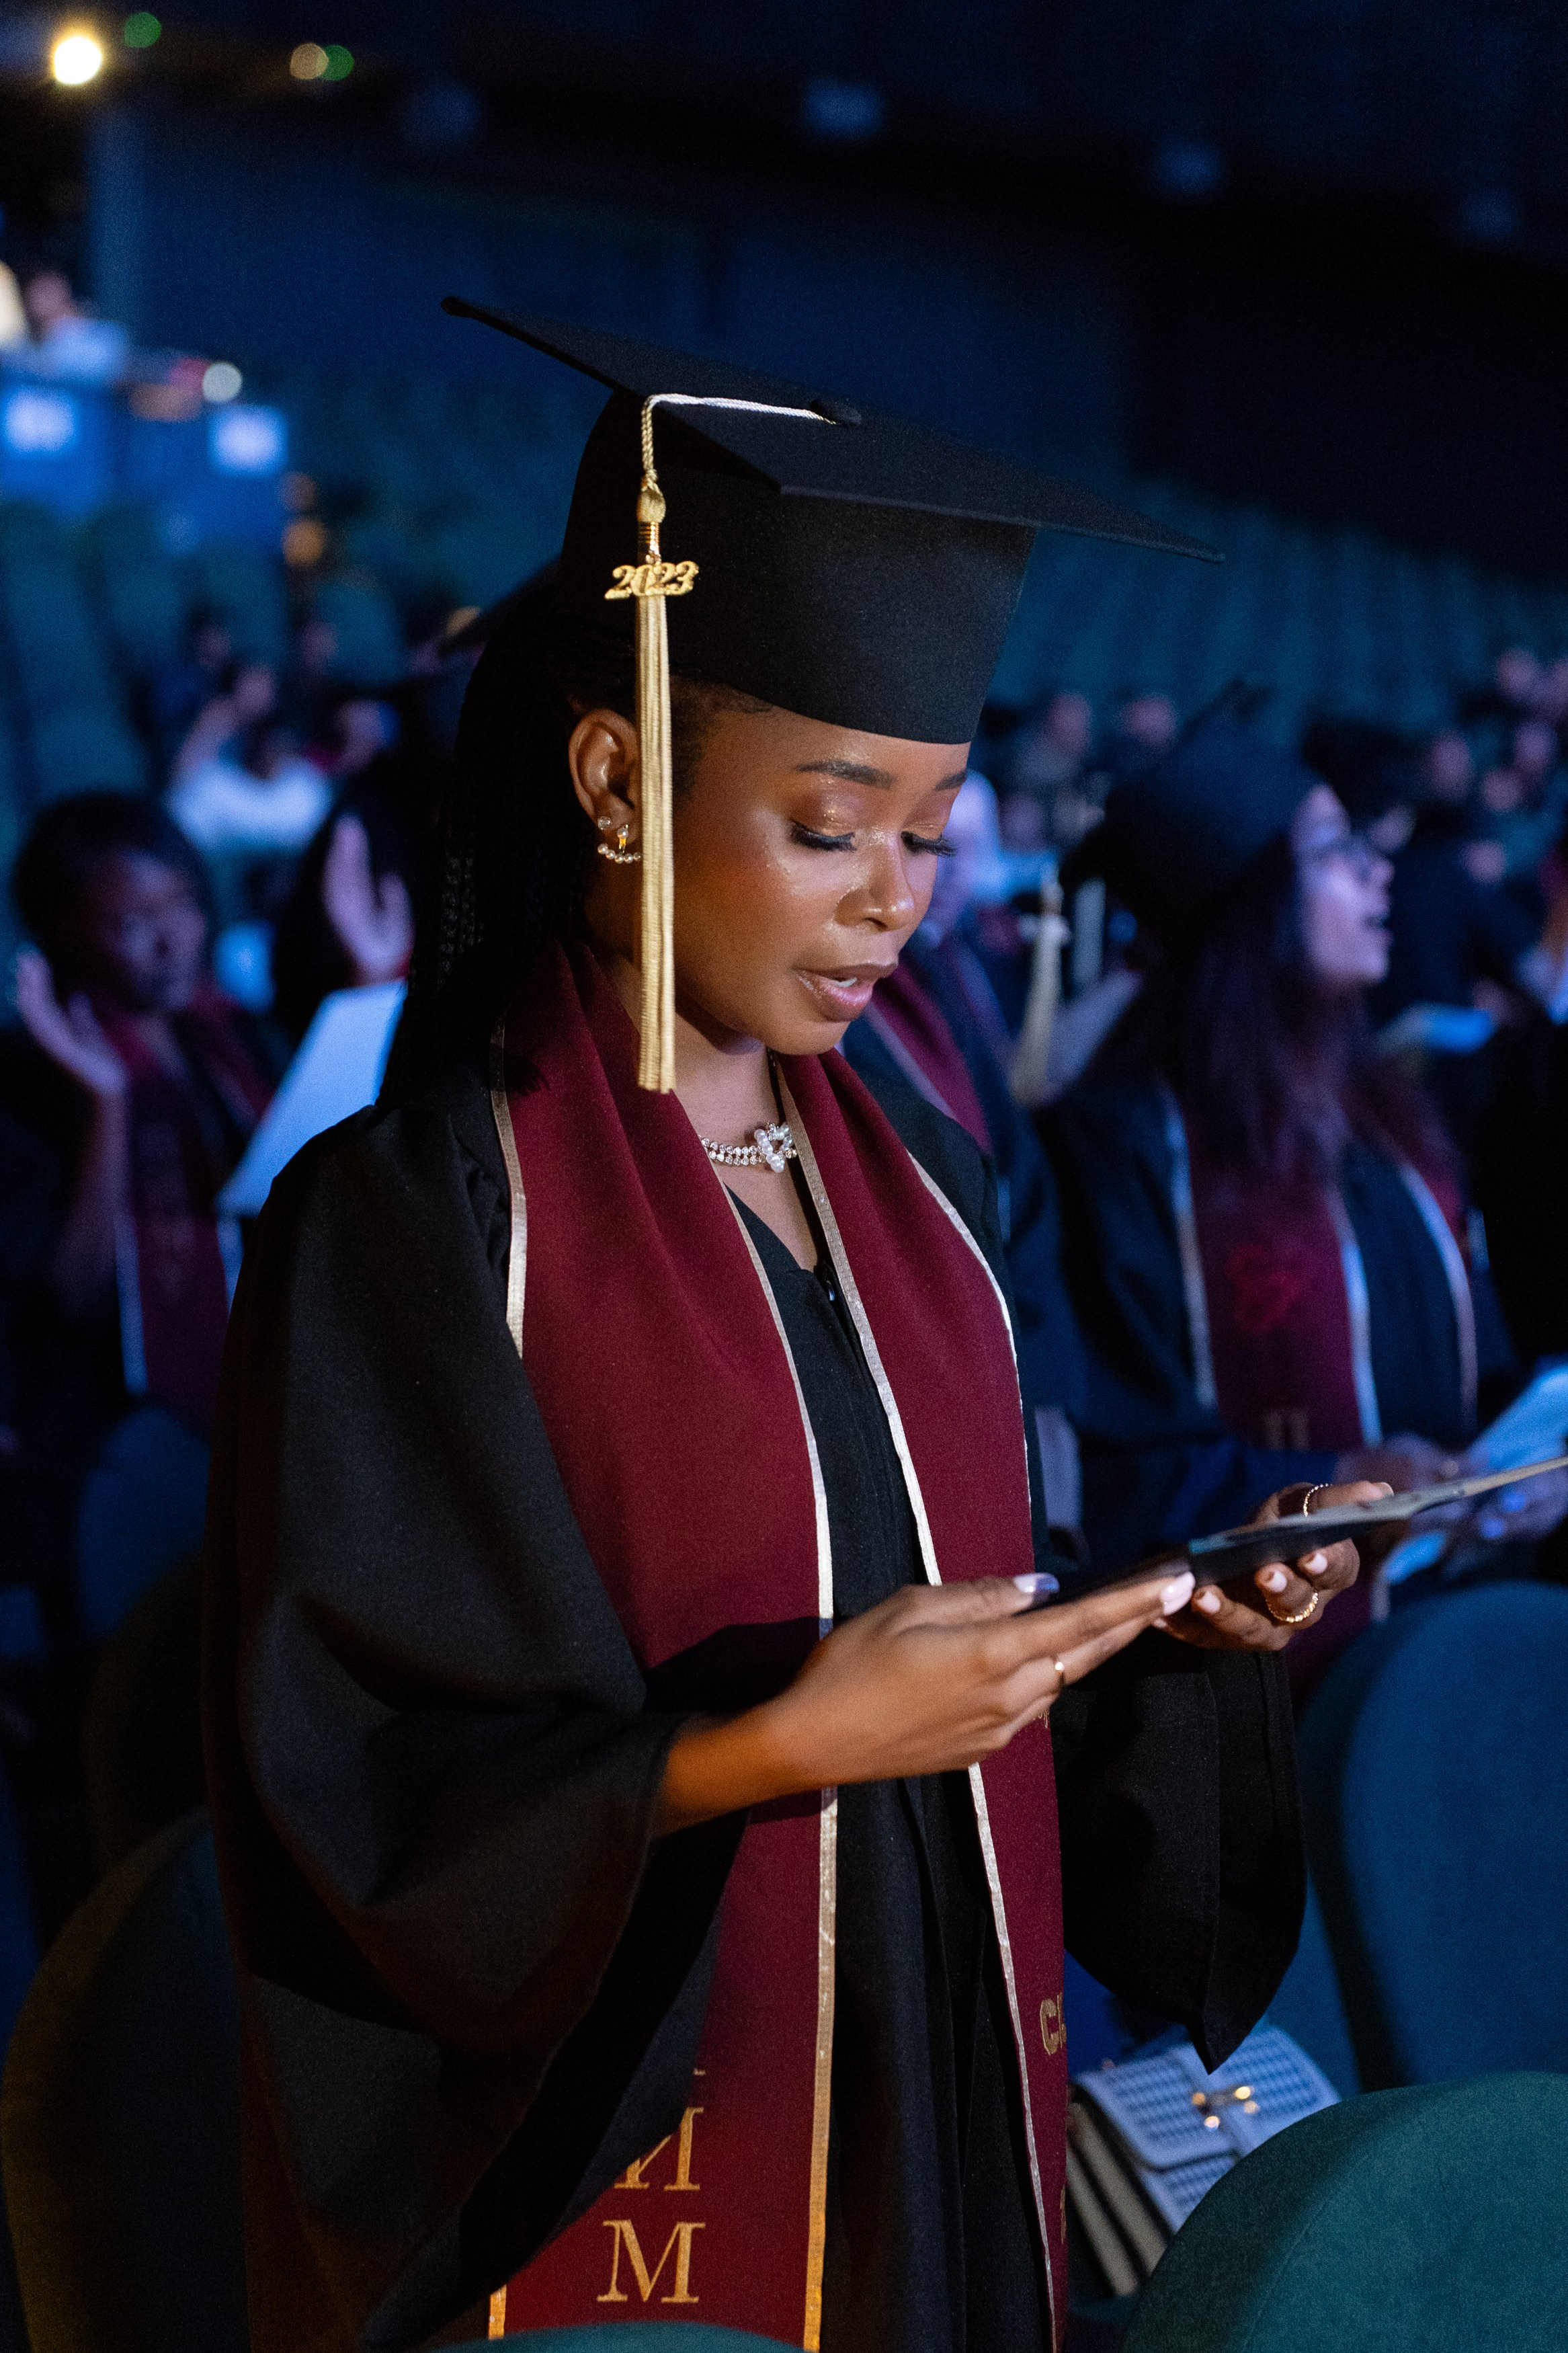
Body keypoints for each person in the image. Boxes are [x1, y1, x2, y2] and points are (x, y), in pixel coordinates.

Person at [204, 311, 1367, 2353]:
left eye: (929, 831)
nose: (893, 897)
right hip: (635, 2113)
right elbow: (352, 1793)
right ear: (618, 774)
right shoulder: (417, 1218)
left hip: (935, 2047)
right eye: (829, 823)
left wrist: (1172, 1627)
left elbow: (944, 1618)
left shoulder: (915, 1176)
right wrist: (765, 1748)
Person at [1044, 711, 1565, 1632]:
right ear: (1249, 903)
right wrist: (1340, 1484)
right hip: (1253, 1680)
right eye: (1334, 850)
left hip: (1440, 1630)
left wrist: (1524, 1471)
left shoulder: (1386, 1116)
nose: (1378, 869)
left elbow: (1474, 1354)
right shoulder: (1121, 1142)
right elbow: (1115, 1461)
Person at [0, 794, 276, 1629]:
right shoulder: (25, 1083)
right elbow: (70, 1292)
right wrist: (109, 1105)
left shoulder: (227, 1035)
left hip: (264, 1378)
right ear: (64, 938)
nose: (173, 941)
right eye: (131, 923)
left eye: (184, 906)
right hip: (113, 1425)